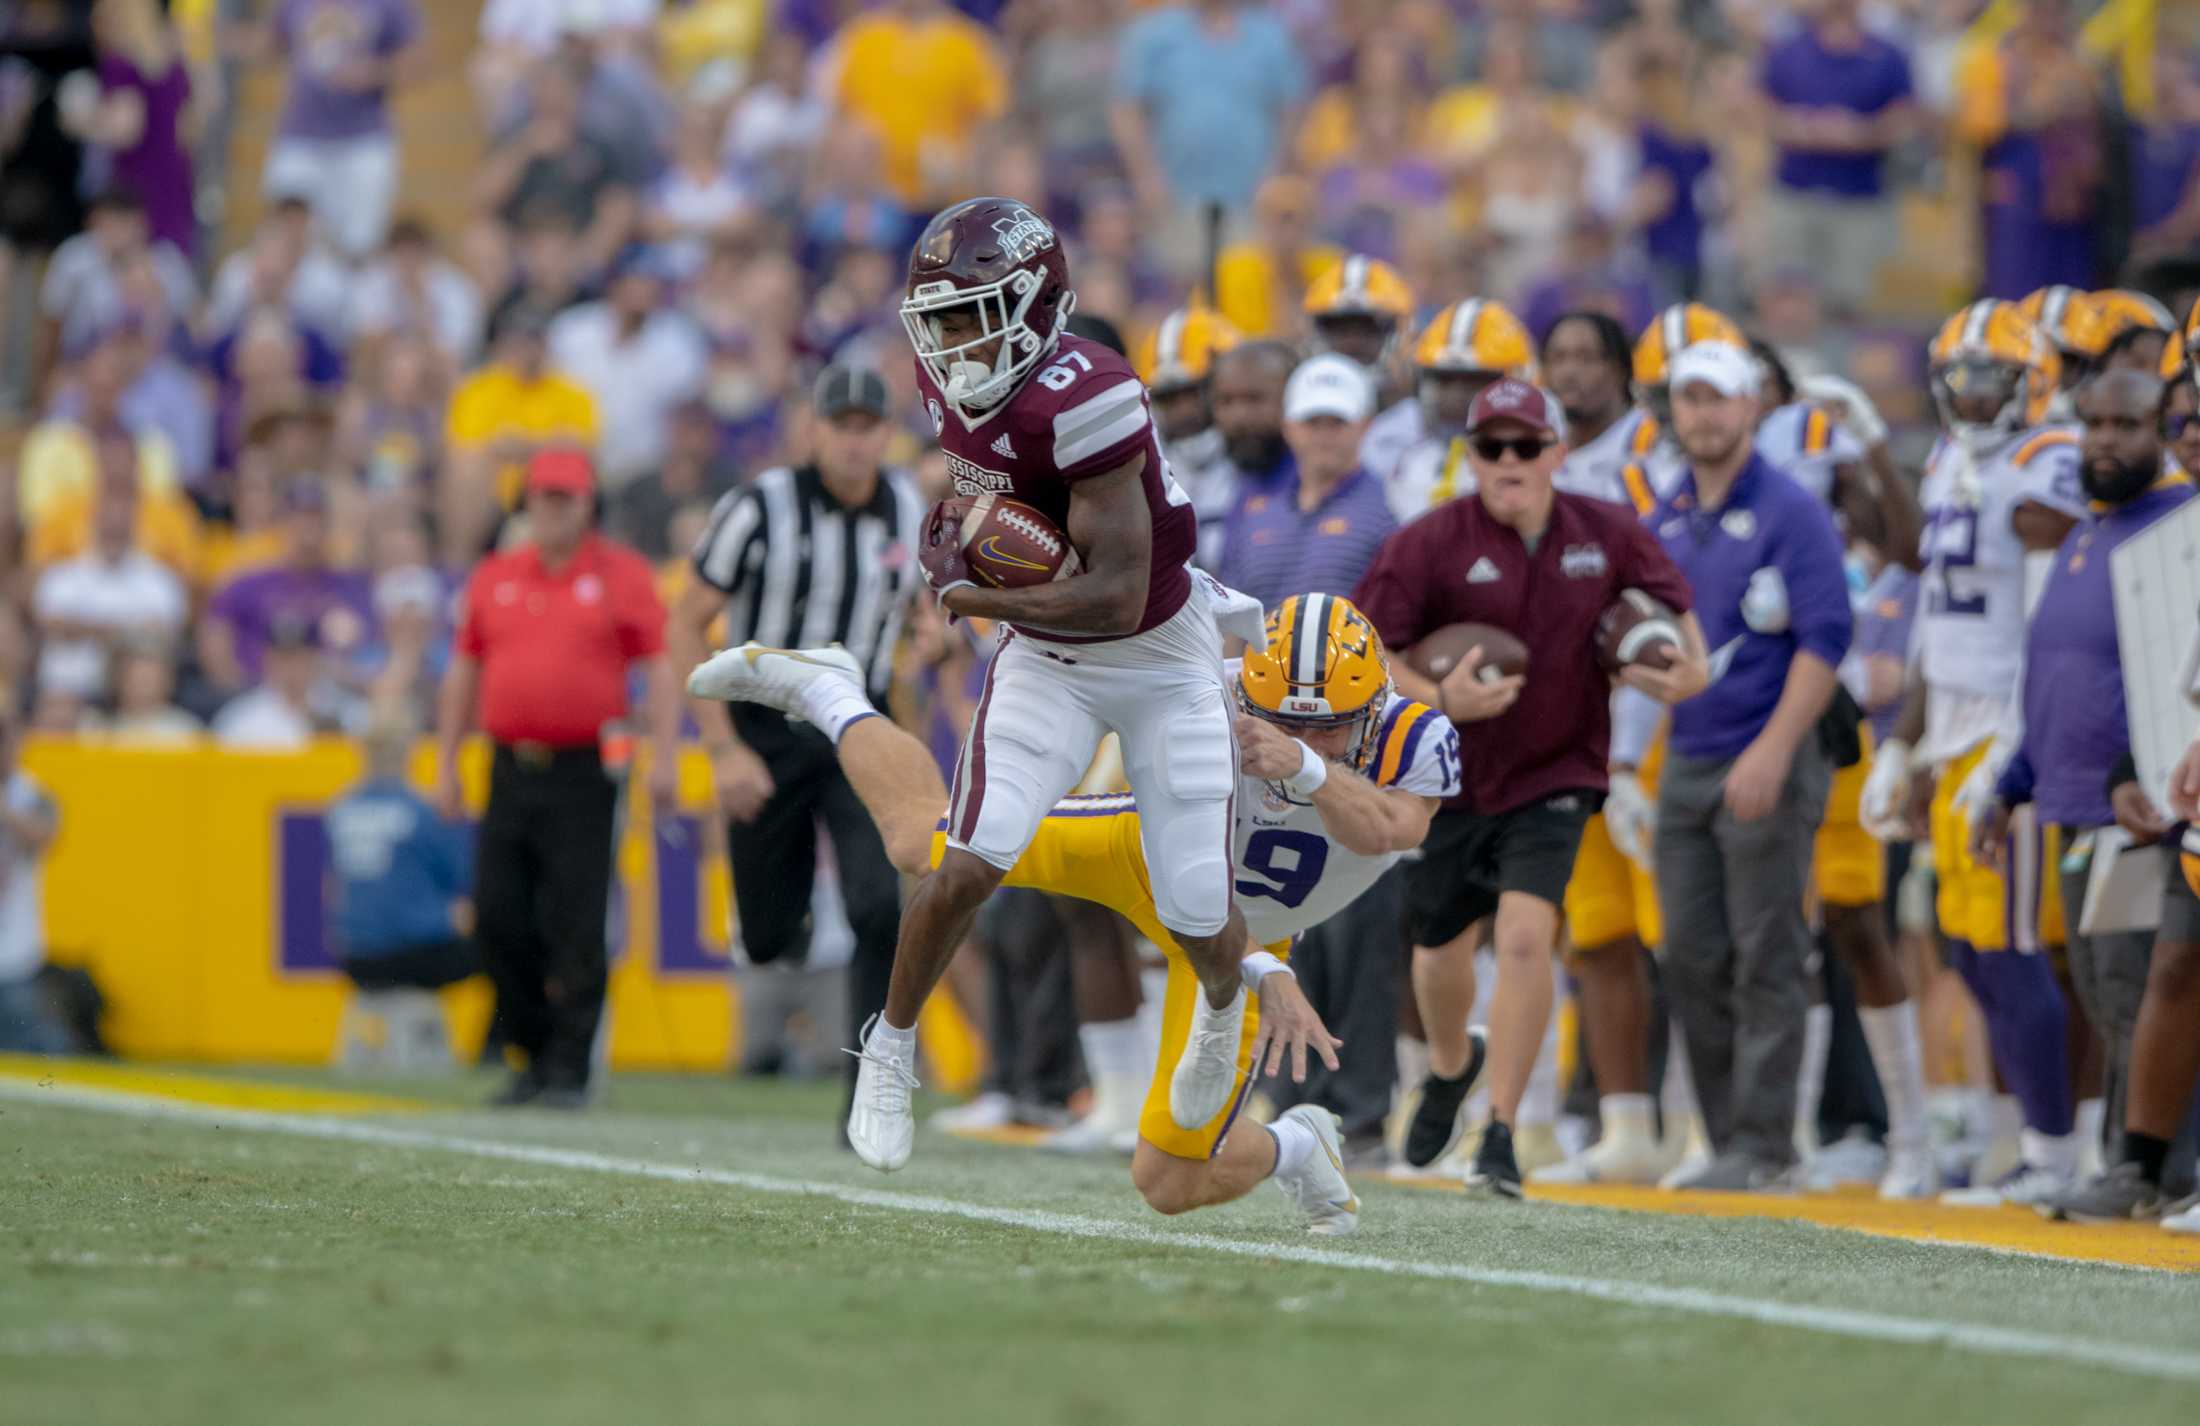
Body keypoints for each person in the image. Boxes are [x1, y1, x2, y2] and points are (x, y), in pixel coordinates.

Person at [690, 592, 1458, 1233]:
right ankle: (828, 692)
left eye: (1325, 724)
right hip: (1151, 856)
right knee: (926, 845)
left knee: (1168, 1180)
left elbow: (1391, 829)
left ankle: (1298, 1147)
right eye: (1279, 720)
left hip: (1246, 932)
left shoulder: (1412, 737)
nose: (1294, 734)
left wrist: (1307, 767)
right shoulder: (1206, 688)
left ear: (1373, 706)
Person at [825, 197, 1260, 1174]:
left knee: (1194, 902)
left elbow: (1111, 596)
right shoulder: (947, 388)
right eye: (934, 319)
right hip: (1050, 659)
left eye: (968, 314)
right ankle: (888, 1048)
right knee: (970, 857)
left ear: (1033, 303)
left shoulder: (1093, 394)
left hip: (1156, 648)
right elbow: (1004, 514)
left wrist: (977, 596)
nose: (947, 342)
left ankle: (1223, 1015)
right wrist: (971, 544)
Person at [1354, 378, 1707, 1196]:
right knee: (1439, 953)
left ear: (1557, 450)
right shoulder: (1431, 539)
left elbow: (1677, 611)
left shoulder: (1606, 530)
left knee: (1524, 938)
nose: (1508, 461)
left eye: (1524, 445)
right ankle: (1450, 1068)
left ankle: (1502, 1129)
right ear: (1469, 456)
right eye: (1490, 447)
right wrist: (1441, 698)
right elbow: (1368, 647)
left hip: (1558, 769)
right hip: (1448, 774)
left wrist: (1686, 669)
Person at [1861, 299, 2092, 1207]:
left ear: (2031, 383)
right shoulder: (1956, 458)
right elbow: (1930, 621)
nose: (1972, 393)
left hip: (2009, 727)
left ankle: (2053, 1150)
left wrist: (2015, 747)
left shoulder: (2047, 462)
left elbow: (2048, 623)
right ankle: (2026, 1141)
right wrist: (1904, 745)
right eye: (1959, 376)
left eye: (1991, 377)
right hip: (1951, 729)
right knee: (1965, 945)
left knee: (2011, 944)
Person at [667, 364, 925, 1127]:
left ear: (885, 432)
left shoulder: (908, 509)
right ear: (813, 431)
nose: (853, 441)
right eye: (839, 425)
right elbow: (685, 623)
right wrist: (722, 751)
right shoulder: (758, 508)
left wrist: (924, 683)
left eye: (866, 426)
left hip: (858, 728)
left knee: (880, 906)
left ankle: (871, 1089)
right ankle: (789, 927)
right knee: (769, 931)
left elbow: (914, 624)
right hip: (765, 729)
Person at [1975, 369, 2196, 1222]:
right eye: (2093, 422)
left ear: (2161, 432)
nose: (2105, 440)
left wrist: (2139, 773)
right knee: (2113, 1001)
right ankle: (2134, 1166)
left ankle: (2164, 1169)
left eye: (2128, 423)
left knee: (2153, 990)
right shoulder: (2085, 532)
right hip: (2069, 799)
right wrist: (2012, 780)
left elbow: (2171, 684)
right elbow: (2058, 673)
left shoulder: (2178, 527)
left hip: (2140, 802)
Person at [1645, 341, 1854, 1192]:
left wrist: (1773, 749)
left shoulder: (1790, 509)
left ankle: (1767, 1146)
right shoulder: (1669, 511)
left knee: (1766, 950)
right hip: (1687, 754)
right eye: (1688, 398)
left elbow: (1827, 638)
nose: (1702, 413)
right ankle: (1727, 1135)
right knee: (1691, 954)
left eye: (1717, 398)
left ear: (1751, 408)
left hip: (1766, 750)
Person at [435, 447, 678, 1108]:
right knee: (497, 912)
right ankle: (532, 1049)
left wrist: (666, 755)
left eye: (564, 498)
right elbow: (465, 669)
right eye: (542, 497)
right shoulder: (495, 577)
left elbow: (656, 664)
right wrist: (447, 761)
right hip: (511, 764)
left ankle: (569, 1064)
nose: (551, 509)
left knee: (578, 916)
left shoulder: (621, 575)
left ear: (587, 504)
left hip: (587, 768)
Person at [1755, 0, 1916, 317]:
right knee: (1785, 299)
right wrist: (1797, 126)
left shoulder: (1887, 55)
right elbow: (1759, 107)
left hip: (1859, 198)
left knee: (1848, 305)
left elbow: (1906, 118)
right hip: (1795, 192)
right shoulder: (1789, 51)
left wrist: (1862, 133)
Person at [1215, 355, 1395, 610]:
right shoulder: (1255, 511)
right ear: (1288, 427)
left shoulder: (1390, 511)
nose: (1323, 435)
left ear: (1365, 426)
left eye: (1337, 422)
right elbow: (1232, 615)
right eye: (1312, 422)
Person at [256, 0, 423, 260]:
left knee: (360, 245)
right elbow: (271, 44)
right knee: (283, 238)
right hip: (302, 135)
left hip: (363, 139)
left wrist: (372, 72)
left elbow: (416, 59)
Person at [327, 714, 477, 995]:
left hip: (353, 955)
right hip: (409, 953)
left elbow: (334, 888)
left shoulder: (341, 808)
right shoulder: (422, 811)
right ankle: (494, 1040)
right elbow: (461, 879)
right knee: (501, 945)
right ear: (410, 752)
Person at [1385, 299, 1540, 523]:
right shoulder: (1409, 461)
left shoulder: (1539, 460)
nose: (1456, 396)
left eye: (1474, 381)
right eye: (1445, 380)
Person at [1134, 306, 1241, 571]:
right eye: (1168, 398)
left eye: (1193, 393)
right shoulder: (1150, 464)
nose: (1183, 411)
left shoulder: (1258, 456)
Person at [0, 715, 64, 1055]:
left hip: (16, 953)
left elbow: (46, 836)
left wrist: (6, 811)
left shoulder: (32, 792)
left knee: (26, 1057)